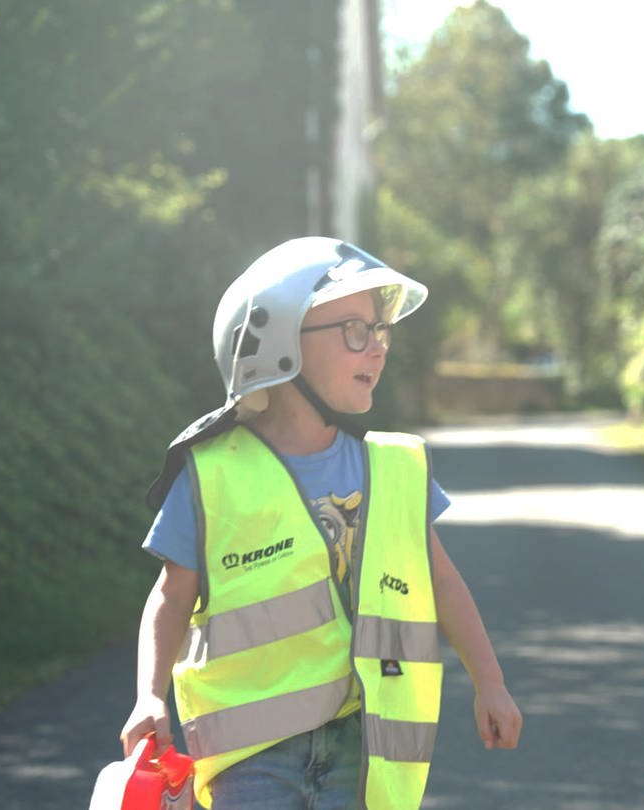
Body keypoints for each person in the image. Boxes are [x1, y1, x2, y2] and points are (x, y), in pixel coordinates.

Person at [119, 237, 522, 809]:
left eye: (381, 331)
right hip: (248, 760)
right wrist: (147, 697)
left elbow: (442, 582)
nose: (378, 349)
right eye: (356, 331)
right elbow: (170, 596)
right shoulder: (212, 475)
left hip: (360, 748)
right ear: (277, 344)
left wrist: (491, 683)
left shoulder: (394, 467)